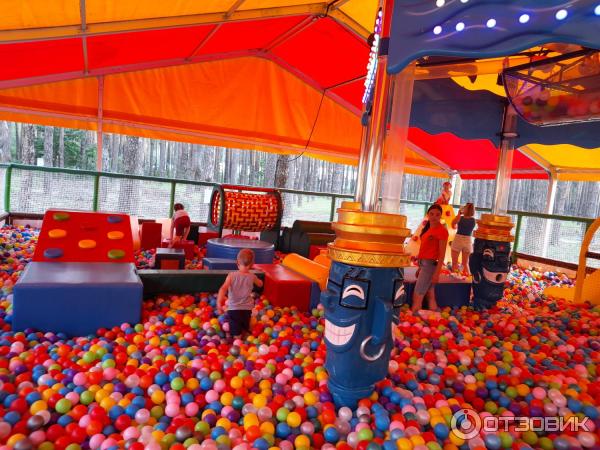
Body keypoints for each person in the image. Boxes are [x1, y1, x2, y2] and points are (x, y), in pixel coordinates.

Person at [217, 249, 263, 338]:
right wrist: (259, 278)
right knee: (245, 328)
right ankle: (246, 336)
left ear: (237, 263)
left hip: (234, 309)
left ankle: (237, 339)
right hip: (247, 309)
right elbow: (260, 284)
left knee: (236, 332)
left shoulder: (231, 275)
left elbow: (223, 289)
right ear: (252, 265)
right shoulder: (252, 276)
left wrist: (219, 302)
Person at [412, 204, 449, 313]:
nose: (434, 217)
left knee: (418, 293)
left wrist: (437, 273)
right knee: (430, 292)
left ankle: (414, 316)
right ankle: (435, 315)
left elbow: (442, 254)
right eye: (431, 214)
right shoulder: (427, 229)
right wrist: (420, 267)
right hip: (424, 264)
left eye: (437, 214)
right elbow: (424, 249)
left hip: (430, 265)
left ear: (441, 216)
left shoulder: (442, 231)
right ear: (428, 215)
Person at [451, 203, 476, 276]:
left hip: (458, 239)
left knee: (454, 263)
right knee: (465, 263)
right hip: (468, 240)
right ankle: (468, 279)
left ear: (465, 209)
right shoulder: (473, 220)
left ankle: (455, 277)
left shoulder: (460, 218)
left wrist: (458, 215)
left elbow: (453, 224)